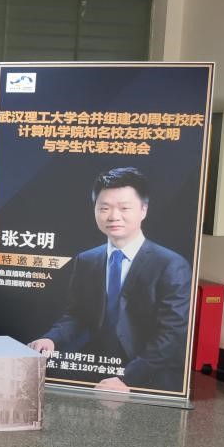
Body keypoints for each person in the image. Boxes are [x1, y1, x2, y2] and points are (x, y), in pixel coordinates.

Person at [28, 168, 192, 393]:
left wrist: (126, 379)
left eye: (124, 208)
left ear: (143, 210)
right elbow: (76, 315)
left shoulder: (171, 265)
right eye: (104, 208)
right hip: (98, 364)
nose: (114, 216)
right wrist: (51, 339)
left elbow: (171, 335)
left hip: (149, 373)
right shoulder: (87, 260)